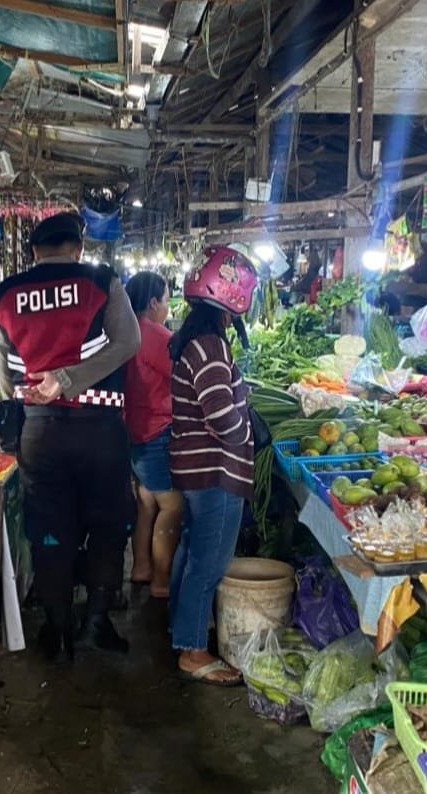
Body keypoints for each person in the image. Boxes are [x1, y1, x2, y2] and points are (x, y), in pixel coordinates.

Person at [0, 213, 141, 663]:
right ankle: (95, 622)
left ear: (34, 253)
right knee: (108, 524)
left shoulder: (4, 295)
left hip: (40, 431)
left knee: (49, 529)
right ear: (77, 248)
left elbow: (2, 373)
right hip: (101, 433)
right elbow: (128, 342)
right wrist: (72, 378)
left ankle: (56, 630)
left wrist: (39, 393)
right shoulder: (100, 281)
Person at [168, 246, 258, 687]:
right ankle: (192, 652)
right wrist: (245, 435)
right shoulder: (209, 347)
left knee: (192, 554)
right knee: (209, 563)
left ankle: (183, 631)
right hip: (216, 474)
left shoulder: (197, 341)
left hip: (199, 470)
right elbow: (221, 416)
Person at [124, 272, 183, 599]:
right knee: (171, 506)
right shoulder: (156, 335)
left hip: (134, 429)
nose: (168, 306)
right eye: (167, 298)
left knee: (147, 504)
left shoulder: (125, 331)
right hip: (157, 430)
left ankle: (141, 567)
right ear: (153, 302)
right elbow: (181, 378)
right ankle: (162, 582)